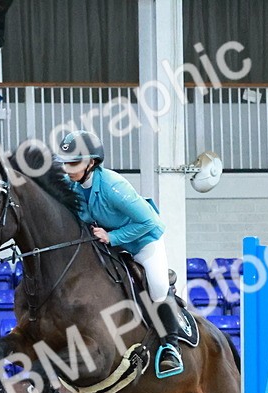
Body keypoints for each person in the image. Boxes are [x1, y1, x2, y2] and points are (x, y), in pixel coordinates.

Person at [54, 130, 184, 379]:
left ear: (91, 163)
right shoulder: (73, 187)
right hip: (109, 245)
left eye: (73, 162)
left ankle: (171, 346)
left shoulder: (113, 186)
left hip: (143, 242)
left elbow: (150, 221)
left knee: (157, 287)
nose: (68, 168)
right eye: (65, 163)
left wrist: (113, 237)